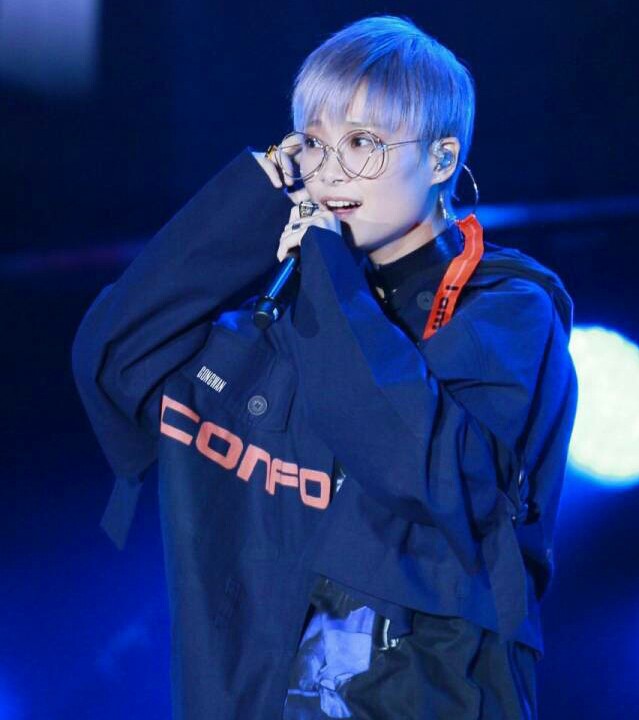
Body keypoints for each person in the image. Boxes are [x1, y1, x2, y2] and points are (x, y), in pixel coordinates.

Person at [71, 14, 577, 720]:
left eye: (363, 142)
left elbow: (413, 464)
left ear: (440, 160)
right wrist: (252, 197)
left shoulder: (507, 311)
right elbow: (112, 359)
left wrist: (328, 272)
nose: (331, 170)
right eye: (313, 143)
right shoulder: (280, 321)